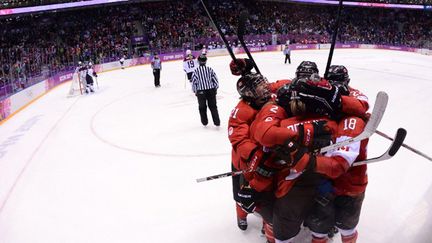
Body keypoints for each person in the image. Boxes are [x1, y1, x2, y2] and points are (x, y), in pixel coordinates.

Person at [191, 54, 220, 126]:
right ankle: (217, 122)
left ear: (198, 61)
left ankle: (204, 122)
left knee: (202, 107)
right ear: (206, 61)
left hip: (201, 92)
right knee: (213, 107)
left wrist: (195, 91)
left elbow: (194, 82)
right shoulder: (210, 69)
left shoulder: (196, 71)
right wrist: (215, 88)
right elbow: (215, 80)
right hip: (211, 90)